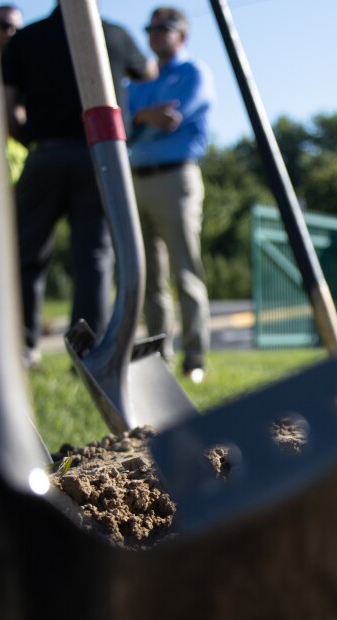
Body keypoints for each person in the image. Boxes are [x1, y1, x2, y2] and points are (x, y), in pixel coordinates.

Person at [1, 2, 157, 369]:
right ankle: (87, 355)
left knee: (26, 255)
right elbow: (149, 69)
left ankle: (23, 348)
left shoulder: (26, 38)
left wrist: (24, 136)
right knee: (95, 258)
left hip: (45, 152)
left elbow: (8, 107)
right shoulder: (116, 35)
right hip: (100, 158)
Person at [128, 7, 213, 383]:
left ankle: (195, 359)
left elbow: (172, 115)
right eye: (151, 29)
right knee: (150, 277)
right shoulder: (138, 79)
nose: (155, 34)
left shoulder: (194, 72)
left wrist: (139, 118)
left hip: (177, 179)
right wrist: (147, 118)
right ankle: (161, 356)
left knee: (185, 272)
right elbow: (127, 124)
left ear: (182, 35)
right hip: (138, 180)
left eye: (164, 28)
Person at [0, 4, 28, 185]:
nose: (10, 32)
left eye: (17, 29)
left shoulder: (28, 72)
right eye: (3, 25)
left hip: (18, 163)